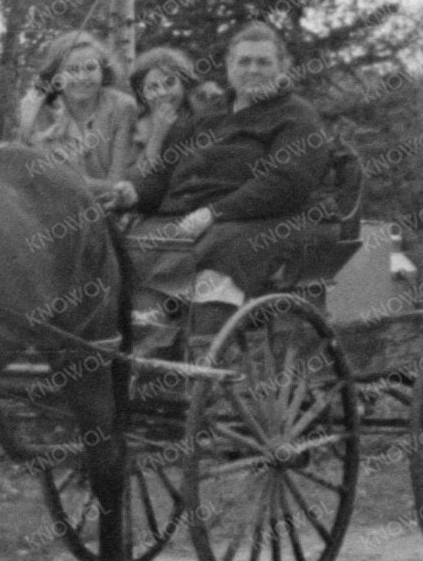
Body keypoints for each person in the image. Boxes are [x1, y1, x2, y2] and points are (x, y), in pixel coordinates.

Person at [124, 19, 326, 339]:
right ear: (230, 66)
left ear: (283, 66)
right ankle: (147, 339)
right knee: (132, 245)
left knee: (220, 251)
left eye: (263, 62)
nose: (253, 70)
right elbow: (166, 172)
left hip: (265, 219)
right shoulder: (210, 113)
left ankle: (205, 353)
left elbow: (286, 183)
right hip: (191, 216)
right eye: (244, 62)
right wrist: (133, 194)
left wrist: (214, 212)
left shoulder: (297, 116)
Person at [12, 29, 143, 189]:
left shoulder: (122, 108)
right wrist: (26, 125)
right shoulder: (41, 112)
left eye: (90, 67)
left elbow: (117, 185)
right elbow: (28, 179)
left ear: (103, 70)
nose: (82, 77)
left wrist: (66, 182)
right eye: (72, 70)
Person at [124, 45, 198, 191]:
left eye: (170, 83)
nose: (163, 92)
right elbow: (135, 181)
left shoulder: (197, 121)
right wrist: (157, 136)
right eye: (152, 87)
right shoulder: (133, 128)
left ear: (184, 85)